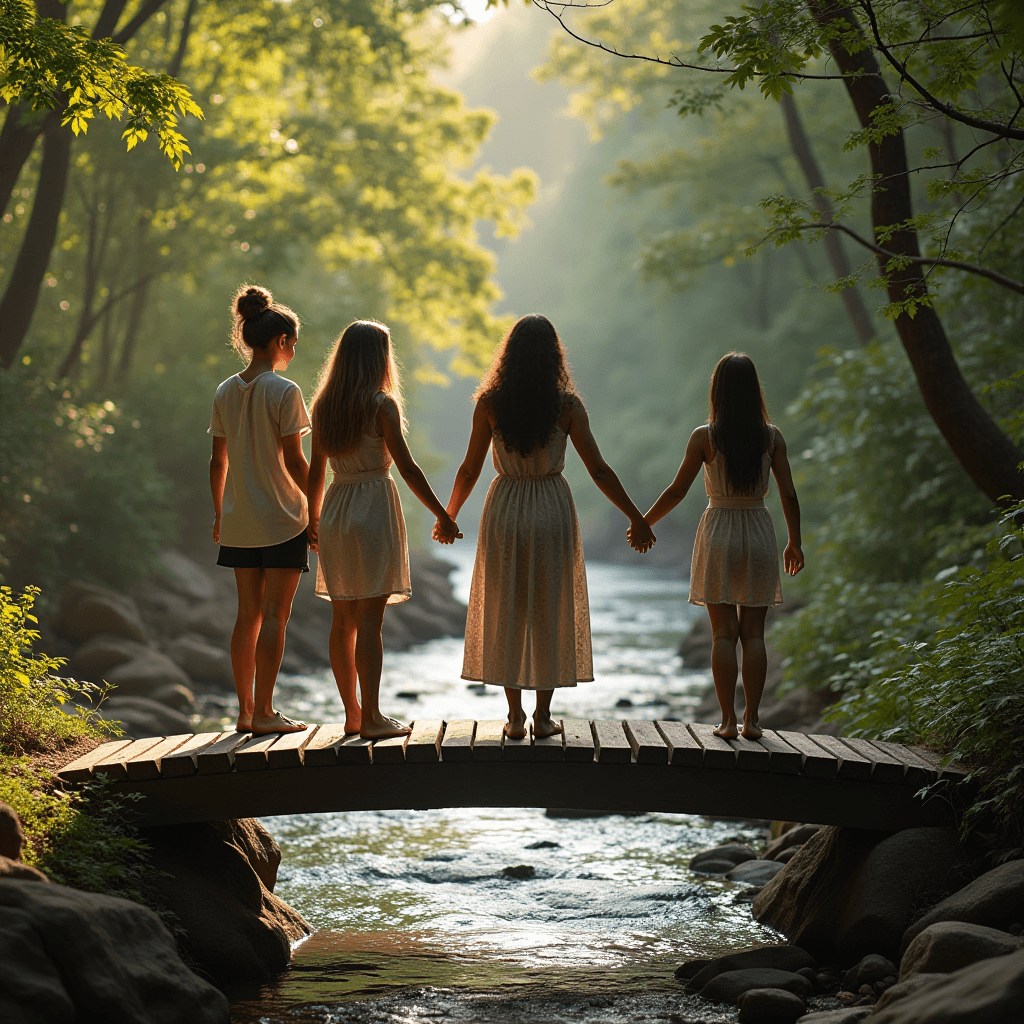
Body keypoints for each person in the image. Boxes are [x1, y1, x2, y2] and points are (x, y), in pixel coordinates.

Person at [436, 314, 655, 740]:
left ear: (509, 355)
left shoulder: (490, 403)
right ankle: (542, 717)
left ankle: (514, 717)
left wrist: (449, 514)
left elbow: (468, 469)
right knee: (549, 608)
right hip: (552, 509)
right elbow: (599, 470)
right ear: (554, 355)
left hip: (506, 509)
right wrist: (636, 517)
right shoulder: (567, 406)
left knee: (508, 608)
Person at [307, 320, 460, 739]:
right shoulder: (381, 405)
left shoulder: (324, 406)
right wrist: (442, 514)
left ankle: (352, 714)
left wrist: (312, 518)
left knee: (342, 621)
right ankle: (373, 718)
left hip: (337, 507)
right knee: (370, 620)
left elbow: (316, 471)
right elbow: (408, 468)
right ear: (379, 357)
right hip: (374, 506)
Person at [643, 352, 803, 740]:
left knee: (722, 636)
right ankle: (752, 720)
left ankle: (727, 721)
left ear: (717, 391)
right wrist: (794, 542)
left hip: (718, 532)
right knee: (754, 636)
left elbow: (677, 490)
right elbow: (789, 494)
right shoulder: (772, 437)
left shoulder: (705, 437)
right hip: (759, 531)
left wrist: (645, 521)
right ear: (754, 392)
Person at [209, 285, 310, 736]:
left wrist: (219, 513)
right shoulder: (284, 391)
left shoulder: (225, 390)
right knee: (275, 616)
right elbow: (294, 461)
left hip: (239, 520)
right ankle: (267, 712)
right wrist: (318, 509)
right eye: (292, 342)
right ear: (279, 342)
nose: (293, 349)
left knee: (245, 615)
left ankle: (246, 711)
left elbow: (218, 460)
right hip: (283, 517)